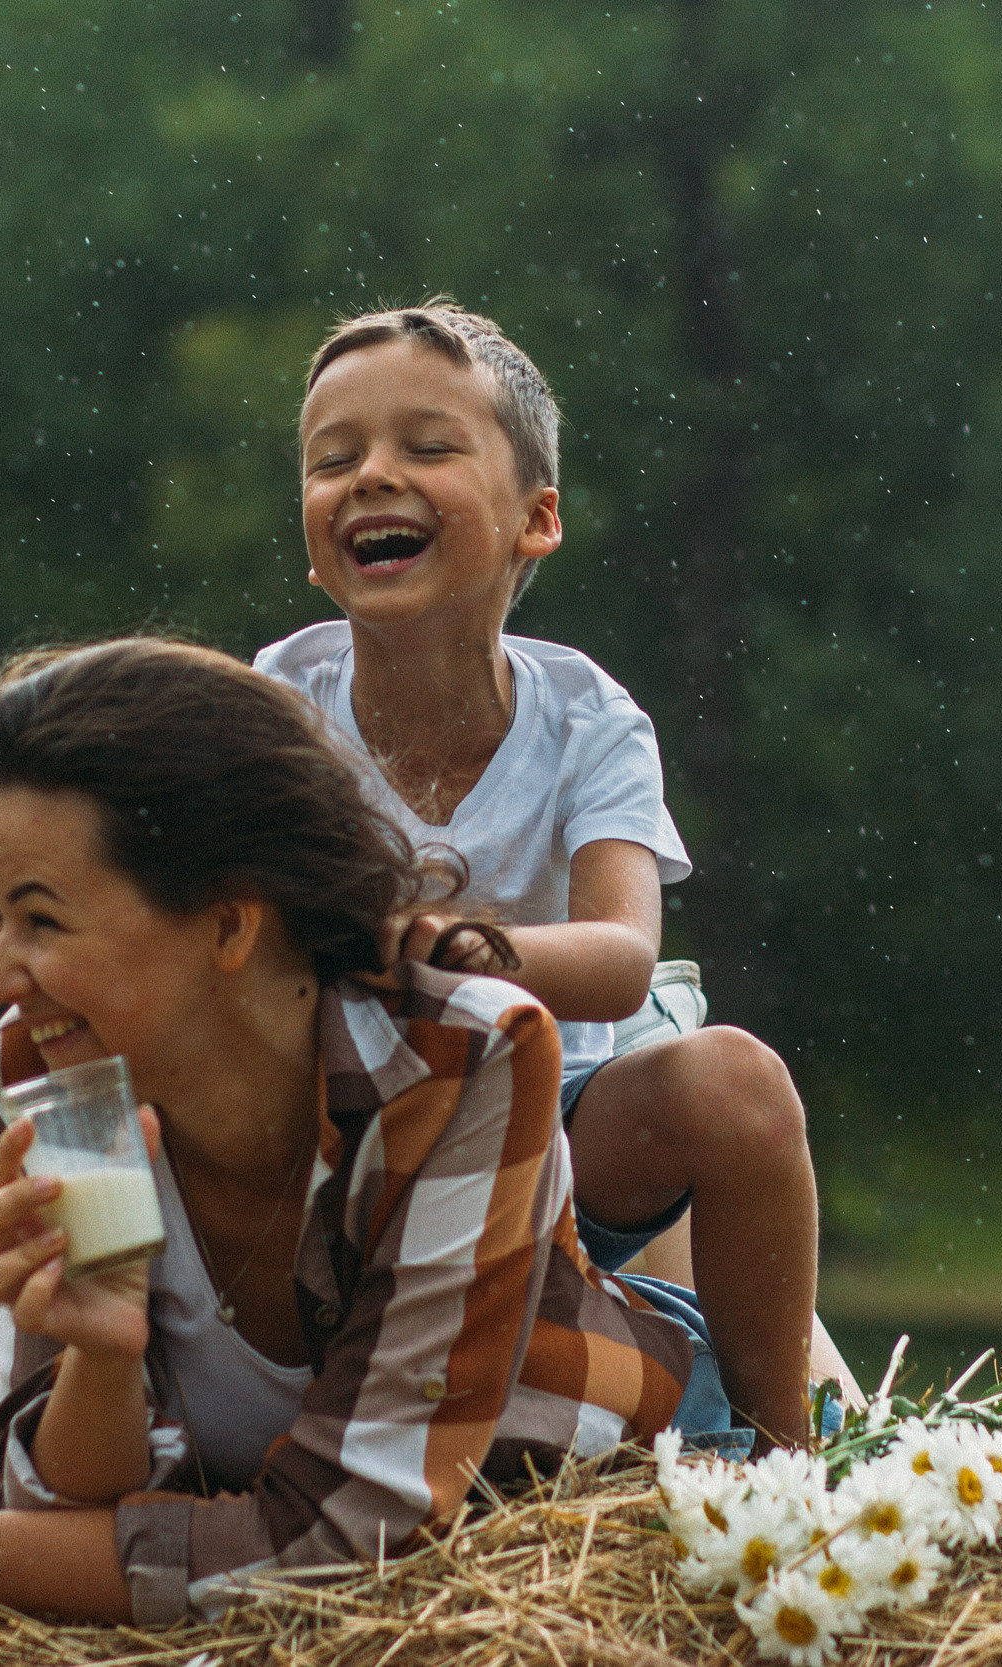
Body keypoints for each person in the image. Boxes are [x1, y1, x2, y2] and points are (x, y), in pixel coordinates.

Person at [0, 638, 718, 1620]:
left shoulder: (460, 1056)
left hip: (579, 1530)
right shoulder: (33, 1072)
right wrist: (104, 1355)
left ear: (228, 925)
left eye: (41, 921)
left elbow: (353, 1542)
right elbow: (43, 1508)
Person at [256, 300, 827, 1447]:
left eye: (426, 447)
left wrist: (453, 951)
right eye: (334, 459)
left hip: (568, 1122)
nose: (371, 476)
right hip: (361, 1131)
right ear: (315, 540)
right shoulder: (278, 703)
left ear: (537, 519)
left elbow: (620, 959)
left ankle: (787, 1451)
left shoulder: (589, 717)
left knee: (734, 1082)